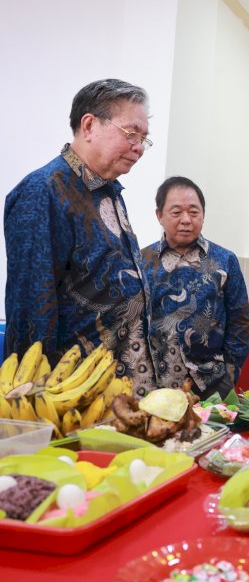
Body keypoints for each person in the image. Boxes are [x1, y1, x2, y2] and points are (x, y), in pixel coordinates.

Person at [4, 79, 156, 395]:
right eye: (131, 134)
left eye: (144, 139)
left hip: (119, 388)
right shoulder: (44, 191)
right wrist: (30, 398)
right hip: (71, 391)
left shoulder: (108, 191)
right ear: (89, 125)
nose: (139, 148)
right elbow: (31, 307)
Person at [141, 176, 249, 398]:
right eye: (176, 212)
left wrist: (230, 372)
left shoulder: (225, 260)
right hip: (156, 385)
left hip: (212, 381)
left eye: (193, 212)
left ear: (203, 215)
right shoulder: (142, 261)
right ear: (159, 215)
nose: (186, 220)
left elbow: (240, 321)